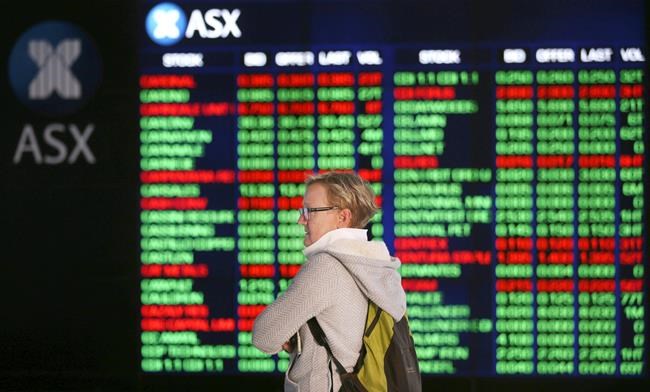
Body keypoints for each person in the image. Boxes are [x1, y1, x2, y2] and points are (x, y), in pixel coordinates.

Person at [252, 171, 407, 392]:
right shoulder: (380, 267)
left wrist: (288, 332)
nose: (300, 220)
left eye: (310, 211)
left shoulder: (325, 268)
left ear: (342, 217)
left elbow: (263, 336)